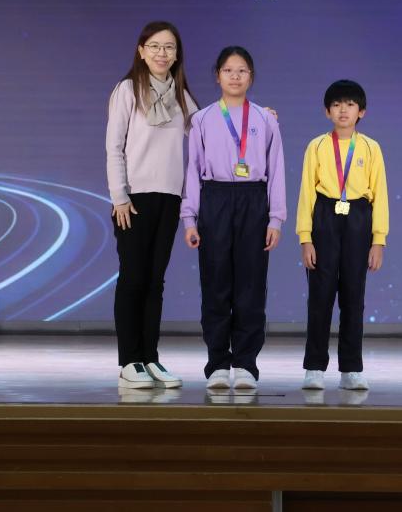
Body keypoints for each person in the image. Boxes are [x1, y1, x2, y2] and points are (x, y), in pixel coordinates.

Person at [181, 46, 286, 391]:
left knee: (251, 285)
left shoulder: (266, 119)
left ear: (251, 77)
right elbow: (193, 170)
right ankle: (217, 363)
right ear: (217, 76)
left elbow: (277, 170)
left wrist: (275, 219)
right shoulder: (201, 119)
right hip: (215, 199)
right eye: (228, 70)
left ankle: (245, 363)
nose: (235, 76)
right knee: (215, 283)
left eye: (242, 70)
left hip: (254, 200)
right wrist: (189, 218)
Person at [105, 21, 198, 389]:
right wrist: (119, 196)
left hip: (169, 198)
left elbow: (209, 129)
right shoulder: (128, 90)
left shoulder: (181, 96)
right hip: (134, 200)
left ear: (177, 55)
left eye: (169, 47)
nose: (162, 53)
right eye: (155, 46)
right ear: (141, 51)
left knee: (155, 282)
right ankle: (129, 361)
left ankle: (150, 357)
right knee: (133, 278)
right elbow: (114, 146)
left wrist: (255, 116)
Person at [296, 79, 389, 392]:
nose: (343, 110)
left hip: (359, 218)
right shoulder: (317, 146)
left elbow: (380, 195)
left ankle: (351, 368)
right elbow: (306, 193)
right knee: (320, 296)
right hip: (324, 215)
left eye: (350, 104)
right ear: (327, 112)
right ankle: (314, 367)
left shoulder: (371, 148)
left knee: (353, 296)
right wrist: (306, 237)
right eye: (336, 105)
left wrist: (378, 240)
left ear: (361, 111)